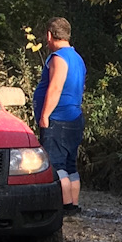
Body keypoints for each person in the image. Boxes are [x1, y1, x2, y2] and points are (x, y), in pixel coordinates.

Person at [34, 17, 85, 214]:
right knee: (71, 163)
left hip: (59, 119)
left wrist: (45, 114)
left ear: (49, 35)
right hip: (74, 118)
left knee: (56, 164)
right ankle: (73, 205)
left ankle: (62, 207)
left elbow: (55, 87)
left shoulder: (58, 57)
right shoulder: (76, 58)